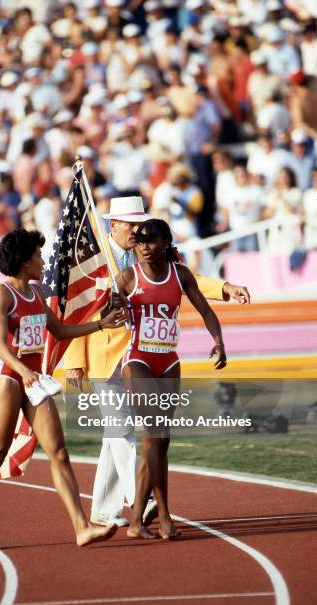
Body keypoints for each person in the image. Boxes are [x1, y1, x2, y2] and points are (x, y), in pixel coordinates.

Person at [65, 195, 250, 527]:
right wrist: (74, 358)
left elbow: (186, 278)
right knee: (121, 428)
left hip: (153, 354)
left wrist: (225, 287)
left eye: (141, 224)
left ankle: (103, 510)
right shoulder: (92, 258)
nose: (139, 232)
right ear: (114, 225)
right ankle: (143, 498)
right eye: (132, 225)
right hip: (105, 354)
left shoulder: (153, 245)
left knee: (115, 432)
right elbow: (75, 306)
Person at [0, 228, 127, 552]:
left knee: (58, 451)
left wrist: (101, 324)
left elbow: (59, 330)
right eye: (38, 256)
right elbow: (0, 345)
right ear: (24, 261)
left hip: (33, 378)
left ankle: (82, 527)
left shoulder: (37, 294)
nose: (43, 261)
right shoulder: (2, 294)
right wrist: (25, 371)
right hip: (8, 377)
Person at [117, 218, 227, 539]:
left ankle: (137, 519)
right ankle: (164, 514)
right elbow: (107, 314)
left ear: (167, 242)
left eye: (152, 240)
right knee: (156, 434)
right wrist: (114, 308)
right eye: (139, 241)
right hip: (138, 360)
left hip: (169, 362)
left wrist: (218, 341)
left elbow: (206, 310)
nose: (145, 246)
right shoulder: (127, 277)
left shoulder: (179, 274)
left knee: (158, 441)